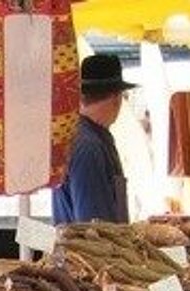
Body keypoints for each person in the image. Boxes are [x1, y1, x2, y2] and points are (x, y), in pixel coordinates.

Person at [53, 53, 136, 224]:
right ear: (116, 98)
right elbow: (94, 226)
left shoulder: (88, 137)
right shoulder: (89, 146)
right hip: (91, 250)